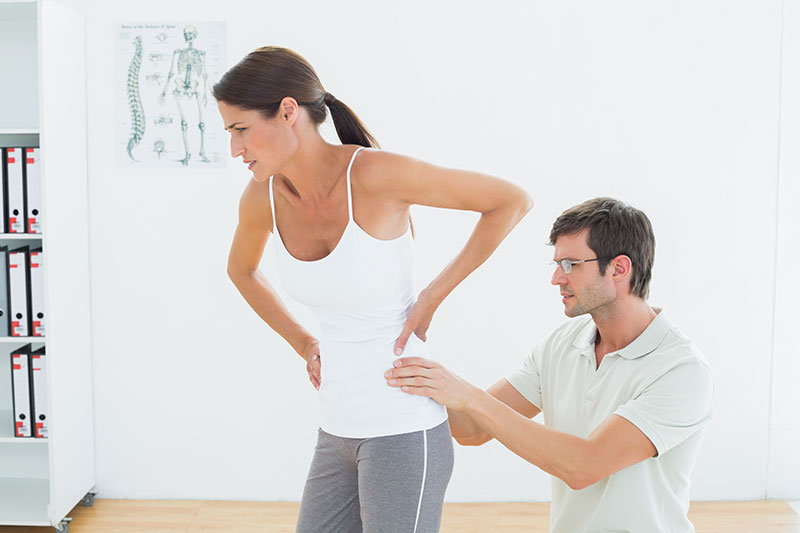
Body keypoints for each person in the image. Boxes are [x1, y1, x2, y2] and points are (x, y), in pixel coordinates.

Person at [214, 46, 532, 533]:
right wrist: (304, 342)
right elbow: (242, 272)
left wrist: (432, 295)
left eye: (240, 130)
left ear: (287, 111)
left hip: (404, 427)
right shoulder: (263, 198)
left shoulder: (376, 175)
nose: (235, 149)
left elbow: (509, 201)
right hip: (337, 428)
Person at [386, 197, 714, 533]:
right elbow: (473, 429)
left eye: (571, 264)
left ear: (618, 269)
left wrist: (470, 396)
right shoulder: (562, 344)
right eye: (557, 264)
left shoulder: (681, 371)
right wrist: (396, 366)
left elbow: (583, 467)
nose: (557, 278)